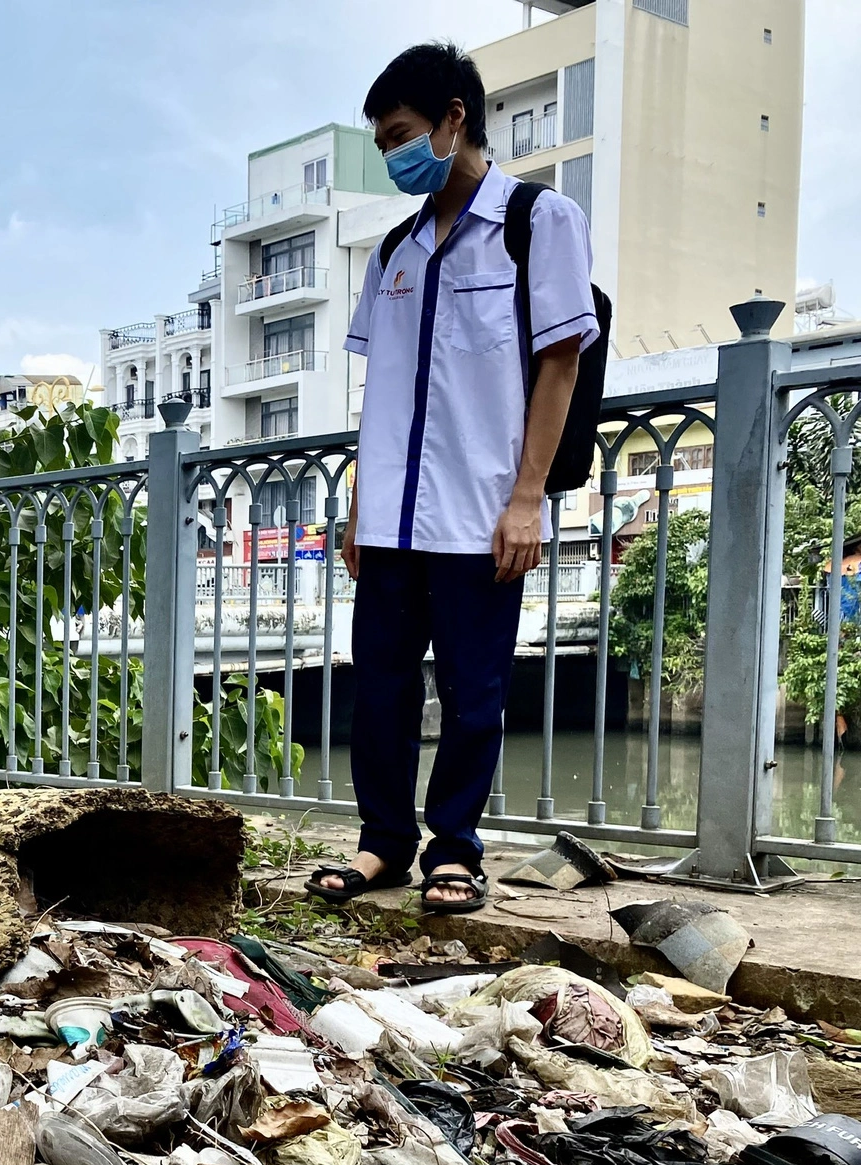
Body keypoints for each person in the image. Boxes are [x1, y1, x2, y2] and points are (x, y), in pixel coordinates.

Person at [306, 41, 597, 915]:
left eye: (400, 136)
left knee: (475, 696)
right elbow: (381, 392)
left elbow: (559, 364)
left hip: (480, 513)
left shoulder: (537, 222)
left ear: (453, 120)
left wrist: (526, 499)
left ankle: (454, 849)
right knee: (381, 692)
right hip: (390, 518)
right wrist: (358, 507)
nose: (394, 156)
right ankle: (383, 844)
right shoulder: (393, 252)